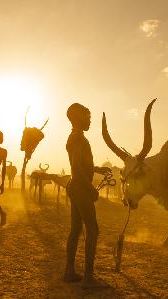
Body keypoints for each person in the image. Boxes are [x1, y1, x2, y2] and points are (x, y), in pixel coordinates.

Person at [63, 103, 111, 288]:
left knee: (76, 229)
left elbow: (81, 165)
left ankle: (69, 272)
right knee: (93, 230)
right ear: (78, 117)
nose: (90, 120)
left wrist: (98, 169)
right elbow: (76, 169)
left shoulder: (76, 137)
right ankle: (89, 277)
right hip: (80, 188)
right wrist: (91, 190)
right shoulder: (78, 139)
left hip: (75, 187)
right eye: (88, 116)